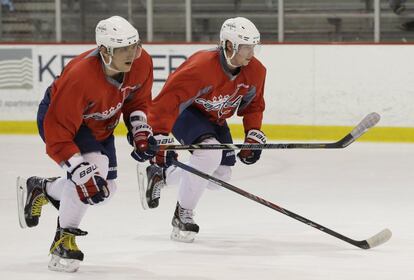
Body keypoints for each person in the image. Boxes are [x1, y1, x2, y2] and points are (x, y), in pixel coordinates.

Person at [16, 15, 157, 272]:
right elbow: (57, 129)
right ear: (104, 51)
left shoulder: (142, 61)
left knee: (103, 192)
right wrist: (77, 167)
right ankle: (63, 238)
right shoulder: (80, 77)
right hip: (61, 122)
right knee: (92, 169)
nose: (132, 53)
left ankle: (43, 188)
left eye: (134, 45)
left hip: (100, 126)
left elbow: (137, 101)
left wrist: (139, 129)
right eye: (123, 48)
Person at [138, 17, 267, 243]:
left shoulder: (256, 71)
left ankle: (163, 175)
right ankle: (183, 214)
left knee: (220, 177)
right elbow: (167, 102)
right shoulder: (200, 67)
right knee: (209, 153)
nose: (251, 52)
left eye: (253, 46)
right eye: (246, 46)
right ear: (229, 45)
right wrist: (159, 135)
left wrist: (252, 135)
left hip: (216, 120)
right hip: (187, 114)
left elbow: (253, 106)